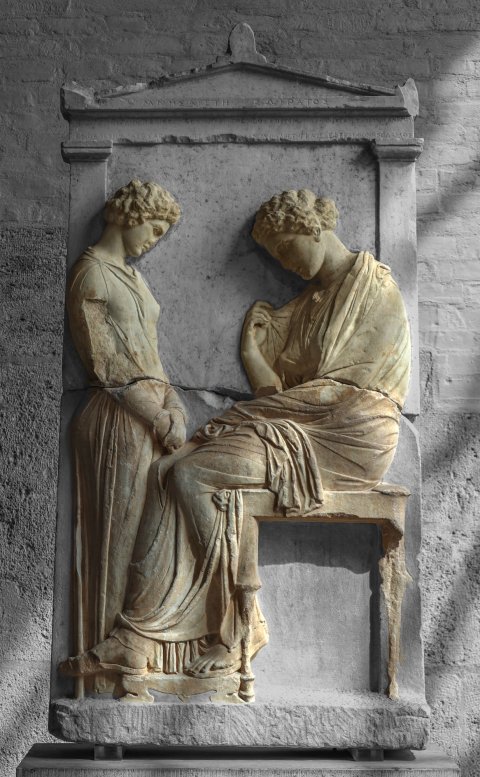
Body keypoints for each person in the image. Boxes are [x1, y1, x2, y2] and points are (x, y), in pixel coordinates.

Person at [61, 189, 410, 687]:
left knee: (192, 473)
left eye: (286, 248)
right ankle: (136, 638)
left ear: (313, 228)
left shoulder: (376, 288)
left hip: (351, 436)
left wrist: (246, 414)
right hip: (296, 428)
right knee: (167, 469)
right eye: (276, 257)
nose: (286, 263)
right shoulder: (303, 307)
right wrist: (252, 354)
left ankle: (239, 628)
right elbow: (278, 391)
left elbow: (350, 394)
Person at [66, 180, 186, 693]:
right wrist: (156, 415)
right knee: (116, 541)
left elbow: (151, 355)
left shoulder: (134, 279)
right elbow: (107, 364)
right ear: (129, 215)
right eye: (153, 229)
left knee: (154, 536)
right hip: (117, 418)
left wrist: (175, 405)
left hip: (153, 415)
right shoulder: (91, 273)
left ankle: (138, 649)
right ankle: (105, 675)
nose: (153, 240)